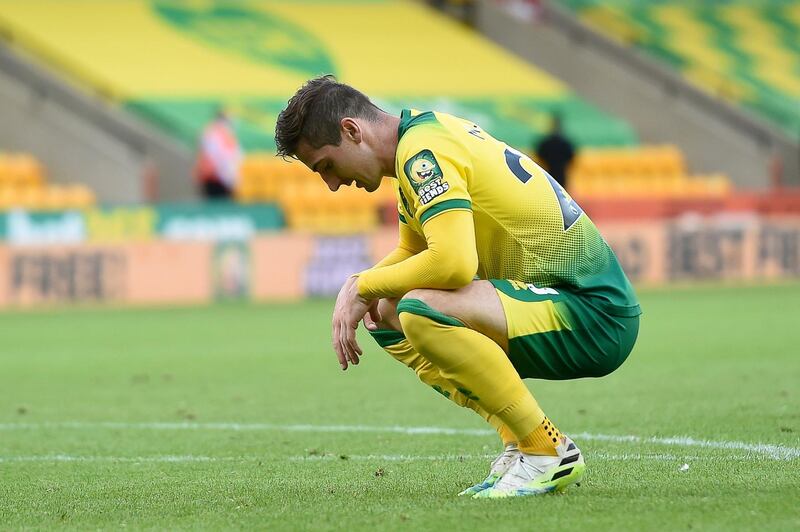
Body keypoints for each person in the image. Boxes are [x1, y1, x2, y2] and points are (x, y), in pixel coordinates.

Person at [275, 76, 641, 498]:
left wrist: (361, 285)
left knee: (419, 308)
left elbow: (453, 264)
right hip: (558, 303)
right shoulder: (421, 141)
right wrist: (363, 290)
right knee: (386, 313)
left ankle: (546, 451)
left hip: (594, 314)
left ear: (352, 131)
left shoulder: (422, 154)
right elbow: (415, 254)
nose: (333, 185)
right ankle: (520, 441)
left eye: (326, 166)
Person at [194, 109, 243, 199]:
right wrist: (228, 177)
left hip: (217, 176)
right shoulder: (214, 133)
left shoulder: (220, 133)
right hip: (215, 177)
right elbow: (219, 157)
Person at [535, 113, 575, 190]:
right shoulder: (564, 142)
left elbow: (540, 154)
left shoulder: (547, 142)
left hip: (549, 172)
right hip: (558, 172)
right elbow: (571, 156)